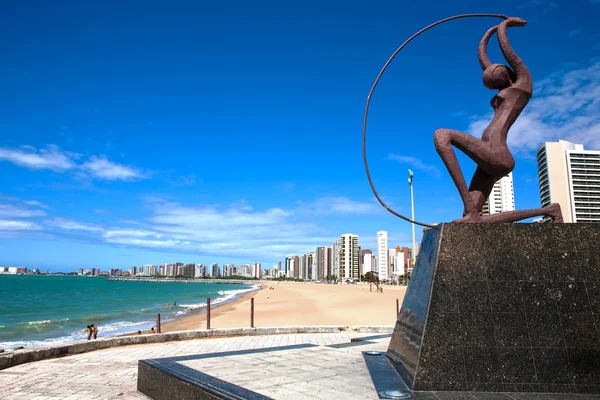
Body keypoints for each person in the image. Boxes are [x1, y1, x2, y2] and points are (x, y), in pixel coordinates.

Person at [433, 16, 562, 224]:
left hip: (497, 153)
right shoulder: (504, 87)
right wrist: (487, 36)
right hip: (489, 157)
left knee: (442, 135)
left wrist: (504, 27)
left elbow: (512, 57)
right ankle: (550, 210)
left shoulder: (522, 88)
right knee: (471, 220)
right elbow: (485, 62)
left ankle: (468, 203)